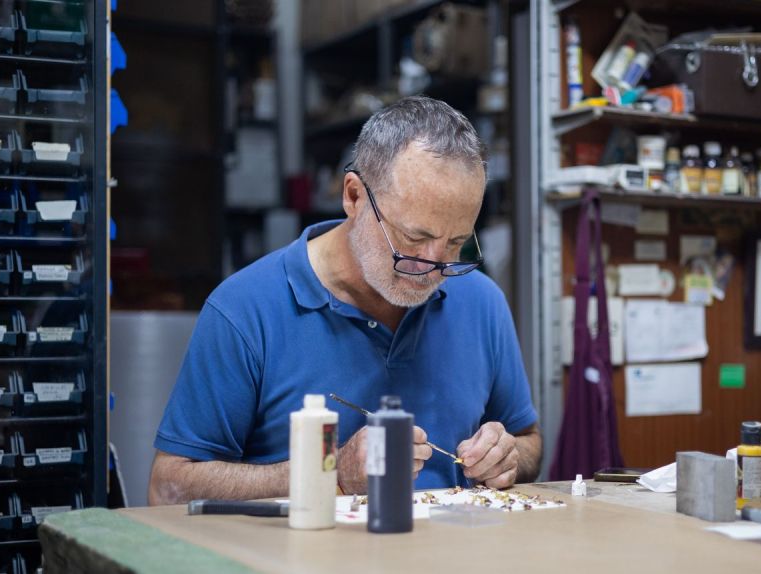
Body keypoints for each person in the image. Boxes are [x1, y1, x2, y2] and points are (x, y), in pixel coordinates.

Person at [147, 96, 541, 505]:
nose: (434, 267)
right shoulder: (245, 309)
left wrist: (508, 455)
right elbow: (169, 488)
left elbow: (528, 441)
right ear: (353, 197)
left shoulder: (482, 302)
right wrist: (328, 472)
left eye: (457, 242)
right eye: (414, 239)